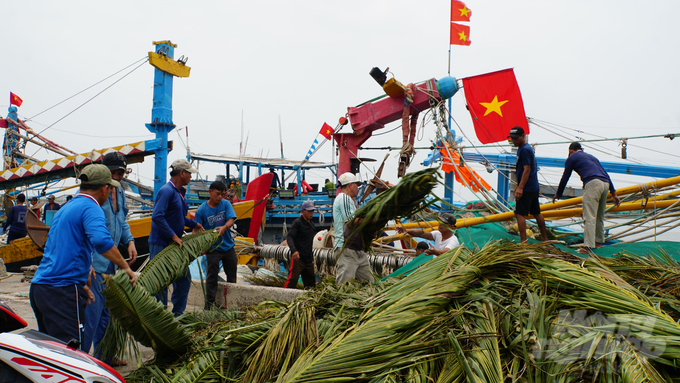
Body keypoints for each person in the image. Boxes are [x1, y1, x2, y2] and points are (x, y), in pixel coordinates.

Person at [29, 164, 136, 349]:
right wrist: (125, 267)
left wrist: (80, 279)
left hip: (40, 288)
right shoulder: (91, 207)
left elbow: (58, 248)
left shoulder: (66, 208)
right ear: (104, 188)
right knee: (70, 357)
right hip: (62, 291)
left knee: (50, 355)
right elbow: (102, 241)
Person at [83, 152, 137, 364]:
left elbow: (122, 221)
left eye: (120, 172)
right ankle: (83, 364)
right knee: (92, 315)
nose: (117, 176)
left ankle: (104, 358)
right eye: (113, 172)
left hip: (110, 264)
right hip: (95, 264)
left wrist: (130, 241)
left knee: (107, 313)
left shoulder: (120, 192)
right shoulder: (97, 195)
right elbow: (88, 232)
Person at [148, 159, 204, 316]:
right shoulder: (167, 191)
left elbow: (178, 216)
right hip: (161, 243)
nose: (191, 177)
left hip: (174, 243)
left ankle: (178, 314)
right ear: (182, 173)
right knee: (161, 281)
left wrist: (193, 224)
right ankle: (160, 316)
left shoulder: (179, 192)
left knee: (184, 279)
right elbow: (157, 216)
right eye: (190, 174)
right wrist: (173, 236)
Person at [553, 142, 621, 251]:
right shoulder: (592, 157)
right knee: (599, 215)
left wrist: (558, 193)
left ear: (571, 150)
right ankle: (598, 242)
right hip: (605, 184)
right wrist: (614, 193)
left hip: (593, 183)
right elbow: (606, 174)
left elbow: (565, 176)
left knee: (589, 215)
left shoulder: (572, 157)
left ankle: (588, 246)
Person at [194, 180, 237, 308]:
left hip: (228, 246)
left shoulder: (226, 204)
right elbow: (196, 230)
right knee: (211, 277)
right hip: (213, 249)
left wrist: (224, 227)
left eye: (222, 194)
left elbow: (231, 220)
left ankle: (230, 303)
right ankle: (209, 305)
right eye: (217, 194)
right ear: (210, 192)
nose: (220, 197)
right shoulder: (201, 211)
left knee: (232, 275)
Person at [332, 172, 374, 284]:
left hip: (356, 248)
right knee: (345, 285)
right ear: (350, 185)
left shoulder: (349, 200)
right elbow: (351, 223)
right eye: (356, 185)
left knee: (369, 283)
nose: (358, 188)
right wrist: (372, 219)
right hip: (347, 248)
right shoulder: (344, 198)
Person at [508, 126, 548, 242]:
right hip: (533, 187)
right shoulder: (523, 148)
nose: (514, 141)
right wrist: (517, 184)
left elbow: (527, 169)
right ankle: (545, 239)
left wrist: (520, 187)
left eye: (516, 138)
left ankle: (523, 241)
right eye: (512, 139)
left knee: (519, 214)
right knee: (536, 212)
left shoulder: (525, 149)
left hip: (527, 188)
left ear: (522, 136)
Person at [284, 200, 317, 289]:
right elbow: (290, 237)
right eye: (309, 211)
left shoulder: (312, 225)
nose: (311, 213)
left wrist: (312, 258)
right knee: (292, 280)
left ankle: (309, 301)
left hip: (308, 260)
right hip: (298, 259)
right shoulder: (297, 223)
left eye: (312, 211)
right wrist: (294, 251)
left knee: (311, 285)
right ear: (303, 211)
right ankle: (284, 298)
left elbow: (309, 243)